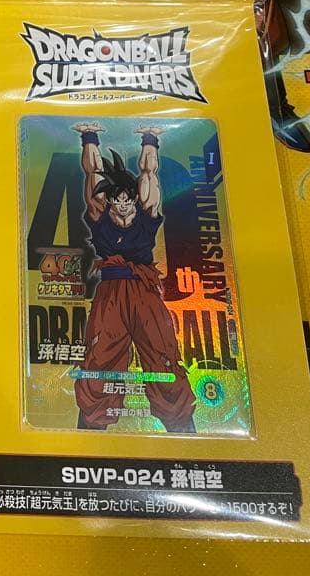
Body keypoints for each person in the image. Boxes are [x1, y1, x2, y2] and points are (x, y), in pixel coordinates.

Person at [73, 123, 195, 432]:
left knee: (162, 353)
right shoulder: (100, 215)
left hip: (143, 291)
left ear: (134, 199)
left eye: (129, 199)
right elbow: (92, 173)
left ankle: (181, 426)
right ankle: (91, 428)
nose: (124, 204)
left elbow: (149, 173)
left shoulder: (146, 214)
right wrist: (89, 138)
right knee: (100, 357)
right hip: (111, 293)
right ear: (111, 200)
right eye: (118, 200)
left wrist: (149, 139)